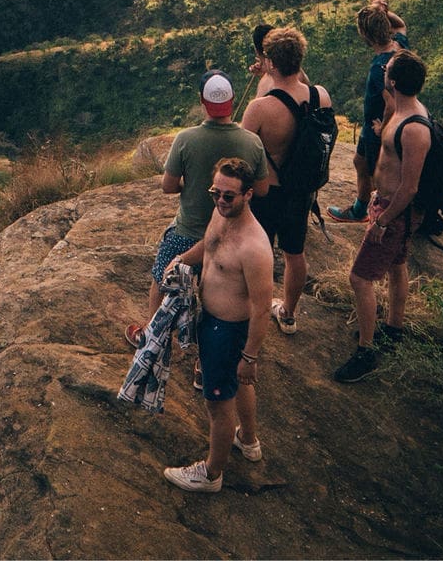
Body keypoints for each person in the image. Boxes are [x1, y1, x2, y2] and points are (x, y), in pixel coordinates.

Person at [129, 72, 268, 347]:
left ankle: (150, 334)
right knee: (215, 297)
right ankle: (204, 361)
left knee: (161, 276)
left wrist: (191, 184)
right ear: (232, 100)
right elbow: (262, 189)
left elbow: (168, 186)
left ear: (202, 102)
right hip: (232, 233)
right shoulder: (252, 142)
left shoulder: (185, 139)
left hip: (189, 231)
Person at [162, 158, 273, 493]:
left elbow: (262, 309)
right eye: (216, 193)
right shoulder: (220, 214)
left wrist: (250, 357)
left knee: (218, 405)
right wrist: (181, 259)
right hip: (210, 321)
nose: (221, 201)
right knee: (237, 384)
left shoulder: (254, 247)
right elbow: (208, 247)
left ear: (248, 194)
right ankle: (248, 440)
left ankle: (211, 475)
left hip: (227, 331)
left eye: (229, 196)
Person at [334, 48, 430, 383]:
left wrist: (383, 221)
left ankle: (366, 351)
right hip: (389, 206)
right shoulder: (402, 112)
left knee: (360, 278)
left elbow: (410, 186)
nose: (382, 71)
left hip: (394, 213)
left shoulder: (414, 127)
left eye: (387, 69)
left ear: (394, 82)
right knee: (396, 265)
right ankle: (393, 328)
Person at [241, 26, 334, 335]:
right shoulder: (320, 95)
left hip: (268, 191)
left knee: (261, 253)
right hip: (302, 190)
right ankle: (289, 314)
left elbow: (240, 151)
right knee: (295, 254)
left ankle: (252, 312)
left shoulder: (260, 108)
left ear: (270, 62)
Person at [329, 0, 409, 222]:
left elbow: (391, 104)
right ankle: (359, 208)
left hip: (377, 126)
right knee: (359, 162)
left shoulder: (379, 68)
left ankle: (372, 213)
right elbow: (401, 24)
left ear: (366, 36)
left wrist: (383, 128)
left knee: (377, 172)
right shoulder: (400, 46)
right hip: (387, 123)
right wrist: (383, 12)